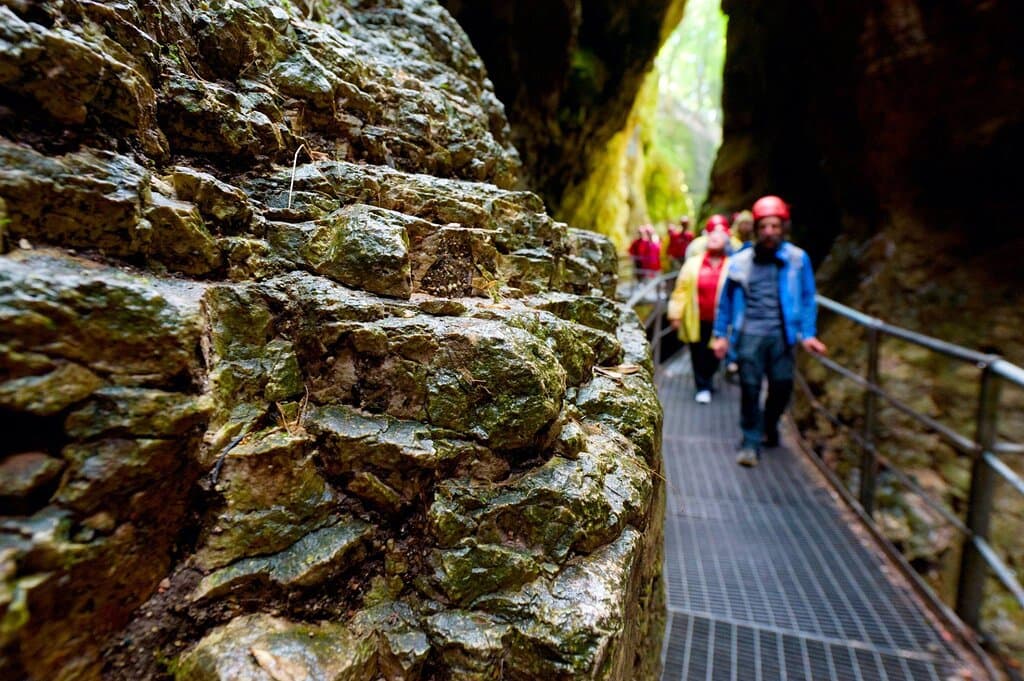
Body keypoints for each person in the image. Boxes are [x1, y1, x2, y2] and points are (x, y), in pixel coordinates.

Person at [711, 195, 828, 467]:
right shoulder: (740, 261)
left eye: (774, 226)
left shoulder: (798, 260)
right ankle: (750, 441)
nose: (769, 232)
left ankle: (768, 424)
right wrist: (720, 335)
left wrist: (808, 333)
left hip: (782, 335)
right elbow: (725, 300)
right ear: (756, 228)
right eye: (764, 226)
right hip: (749, 333)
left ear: (783, 227)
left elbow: (808, 297)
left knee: (782, 387)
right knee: (750, 389)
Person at [668, 221, 730, 404]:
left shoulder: (732, 265)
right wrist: (675, 314)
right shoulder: (693, 263)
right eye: (711, 235)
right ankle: (702, 385)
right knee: (698, 351)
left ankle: (709, 379)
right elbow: (681, 289)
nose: (714, 238)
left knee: (715, 353)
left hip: (721, 320)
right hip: (696, 317)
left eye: (719, 236)